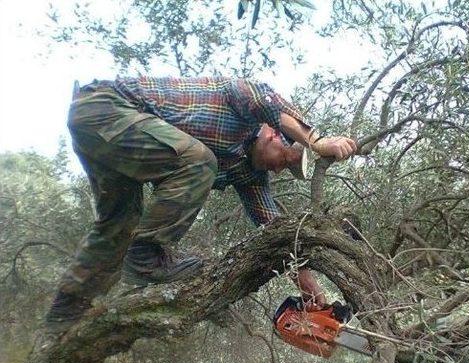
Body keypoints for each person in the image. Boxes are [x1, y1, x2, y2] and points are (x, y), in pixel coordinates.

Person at [44, 76, 357, 334]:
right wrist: (315, 141)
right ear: (275, 135)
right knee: (199, 161)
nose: (278, 170)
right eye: (284, 161)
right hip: (105, 108)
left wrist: (316, 298)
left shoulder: (248, 175)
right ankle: (147, 253)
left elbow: (278, 235)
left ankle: (62, 318)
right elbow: (266, 100)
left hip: (99, 135)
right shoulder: (242, 103)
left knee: (116, 226)